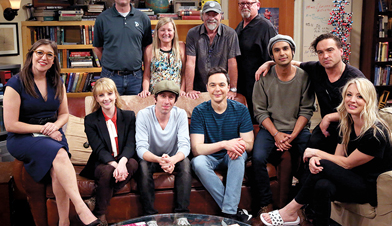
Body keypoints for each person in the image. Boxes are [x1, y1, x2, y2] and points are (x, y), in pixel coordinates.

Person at [260, 78, 392, 226]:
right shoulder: (347, 124)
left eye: (360, 96)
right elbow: (337, 159)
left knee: (322, 166)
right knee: (322, 185)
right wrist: (316, 160)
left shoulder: (376, 134)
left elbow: (347, 164)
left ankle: (290, 210)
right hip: (351, 180)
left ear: (369, 100)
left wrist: (316, 153)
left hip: (371, 188)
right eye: (349, 95)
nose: (352, 100)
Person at [4, 39, 102, 226]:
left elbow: (64, 114)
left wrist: (55, 126)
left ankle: (63, 222)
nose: (44, 57)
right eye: (40, 52)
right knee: (59, 153)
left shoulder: (57, 81)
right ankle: (81, 208)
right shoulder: (15, 83)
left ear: (54, 60)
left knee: (58, 166)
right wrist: (44, 129)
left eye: (50, 55)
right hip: (23, 136)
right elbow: (11, 125)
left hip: (52, 133)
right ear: (31, 55)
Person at [256, 33, 365, 154]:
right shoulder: (316, 69)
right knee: (309, 152)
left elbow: (367, 109)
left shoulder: (356, 78)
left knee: (333, 163)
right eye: (320, 52)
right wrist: (269, 63)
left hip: (352, 127)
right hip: (327, 128)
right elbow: (289, 62)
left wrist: (330, 117)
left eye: (330, 50)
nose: (325, 56)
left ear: (341, 51)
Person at [252, 34, 315, 223]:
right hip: (271, 129)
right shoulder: (263, 77)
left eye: (285, 49)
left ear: (292, 52)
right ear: (272, 55)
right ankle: (266, 203)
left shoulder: (305, 77)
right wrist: (277, 134)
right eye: (277, 50)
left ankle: (302, 205)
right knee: (257, 158)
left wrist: (292, 136)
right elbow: (260, 111)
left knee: (311, 160)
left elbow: (307, 109)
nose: (282, 53)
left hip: (298, 129)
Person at [190, 67, 254, 223]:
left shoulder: (240, 109)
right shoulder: (199, 111)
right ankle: (233, 212)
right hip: (210, 156)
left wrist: (235, 147)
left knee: (238, 155)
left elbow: (249, 143)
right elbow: (197, 149)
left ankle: (229, 213)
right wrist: (225, 144)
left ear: (228, 86)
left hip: (231, 156)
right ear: (207, 88)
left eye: (221, 85)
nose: (217, 89)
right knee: (197, 162)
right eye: (212, 85)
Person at [80, 78, 138, 225]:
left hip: (123, 159)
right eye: (101, 95)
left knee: (132, 164)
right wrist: (115, 165)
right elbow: (98, 148)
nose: (106, 98)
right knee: (107, 172)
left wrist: (122, 162)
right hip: (102, 162)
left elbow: (131, 144)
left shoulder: (129, 116)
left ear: (116, 95)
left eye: (109, 93)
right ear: (96, 98)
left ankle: (95, 199)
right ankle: (100, 215)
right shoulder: (90, 120)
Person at [135, 80, 192, 225]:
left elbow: (185, 146)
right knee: (142, 165)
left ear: (175, 100)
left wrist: (172, 160)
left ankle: (181, 215)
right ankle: (150, 217)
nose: (167, 101)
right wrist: (159, 160)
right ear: (155, 98)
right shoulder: (143, 115)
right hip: (152, 158)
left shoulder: (180, 114)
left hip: (173, 159)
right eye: (163, 96)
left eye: (171, 97)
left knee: (186, 163)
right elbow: (141, 148)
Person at [93, 0, 152, 95]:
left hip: (136, 77)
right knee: (111, 112)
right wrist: (110, 64)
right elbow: (97, 47)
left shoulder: (143, 18)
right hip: (110, 77)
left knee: (135, 112)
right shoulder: (102, 19)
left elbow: (147, 46)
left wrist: (146, 73)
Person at [235, 0, 277, 122]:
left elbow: (273, 59)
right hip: (241, 85)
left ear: (257, 5)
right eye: (242, 4)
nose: (245, 6)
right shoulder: (240, 26)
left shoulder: (265, 27)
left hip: (258, 86)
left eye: (249, 3)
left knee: (257, 121)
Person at [185, 1, 240, 100]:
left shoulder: (230, 34)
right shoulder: (192, 34)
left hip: (221, 89)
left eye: (215, 14)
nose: (211, 18)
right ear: (202, 16)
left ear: (221, 16)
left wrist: (232, 89)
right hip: (199, 90)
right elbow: (190, 63)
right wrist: (189, 89)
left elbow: (232, 63)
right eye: (208, 14)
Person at [138, 17, 187, 98]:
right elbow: (147, 74)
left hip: (176, 93)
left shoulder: (181, 47)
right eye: (162, 30)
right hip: (156, 94)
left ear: (174, 32)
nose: (166, 33)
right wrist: (145, 90)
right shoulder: (150, 49)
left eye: (169, 30)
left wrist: (182, 90)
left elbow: (184, 73)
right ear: (157, 32)